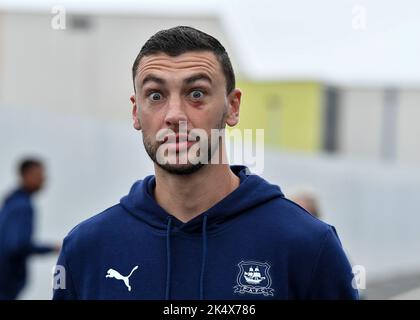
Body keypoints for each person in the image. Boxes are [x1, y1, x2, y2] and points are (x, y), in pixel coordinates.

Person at [53, 26, 358, 300]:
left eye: (196, 93)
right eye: (156, 95)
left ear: (232, 107)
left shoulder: (306, 245)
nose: (174, 114)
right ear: (136, 112)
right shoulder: (87, 249)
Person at [0, 158, 59, 299]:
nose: (43, 179)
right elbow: (18, 245)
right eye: (39, 174)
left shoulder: (11, 203)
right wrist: (52, 248)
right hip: (6, 282)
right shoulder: (23, 206)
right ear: (26, 175)